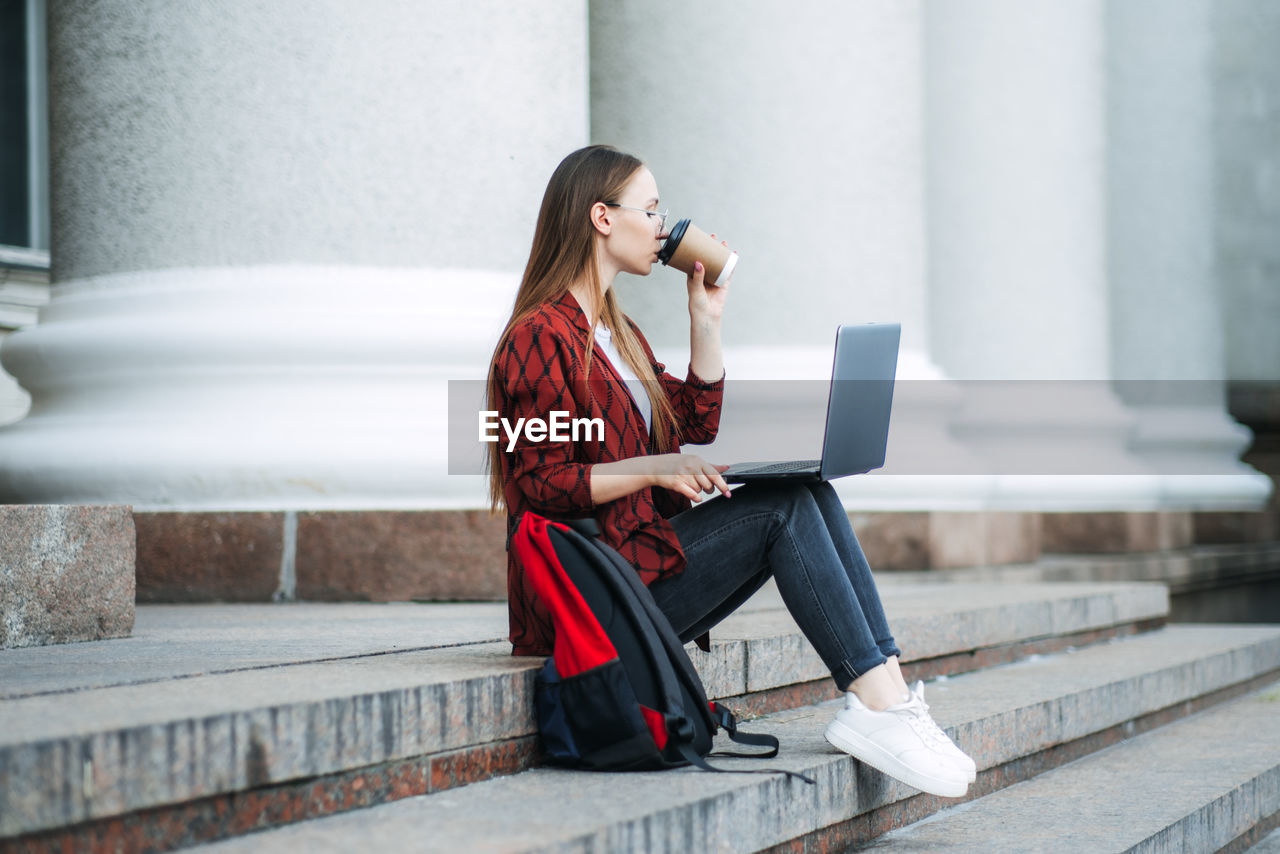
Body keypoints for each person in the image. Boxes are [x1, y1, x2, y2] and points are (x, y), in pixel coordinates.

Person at [485, 144, 975, 798]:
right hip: (591, 598)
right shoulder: (539, 336)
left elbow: (692, 426)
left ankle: (886, 692)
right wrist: (655, 469)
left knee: (803, 487)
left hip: (637, 569)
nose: (665, 228)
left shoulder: (614, 332)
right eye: (651, 210)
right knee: (782, 510)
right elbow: (537, 486)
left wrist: (705, 320)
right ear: (602, 217)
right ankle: (880, 707)